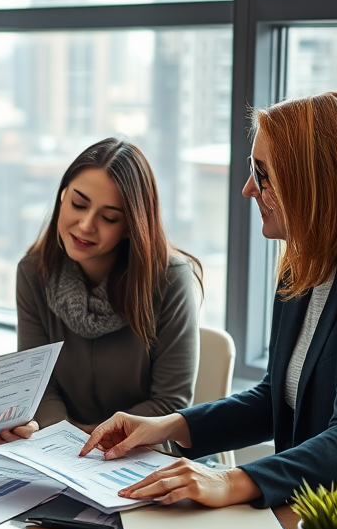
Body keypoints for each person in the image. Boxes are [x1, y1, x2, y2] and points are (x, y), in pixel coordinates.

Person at [81, 91, 337, 525]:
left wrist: (229, 481)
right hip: (313, 514)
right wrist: (169, 426)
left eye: (263, 174)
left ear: (317, 180)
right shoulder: (305, 261)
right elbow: (276, 397)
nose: (249, 188)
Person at [16, 138, 201, 434]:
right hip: (60, 447)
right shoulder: (33, 272)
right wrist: (67, 439)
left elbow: (170, 403)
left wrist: (91, 438)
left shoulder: (171, 279)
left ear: (131, 226)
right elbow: (38, 386)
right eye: (78, 204)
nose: (86, 224)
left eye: (109, 217)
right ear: (62, 196)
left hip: (143, 449)